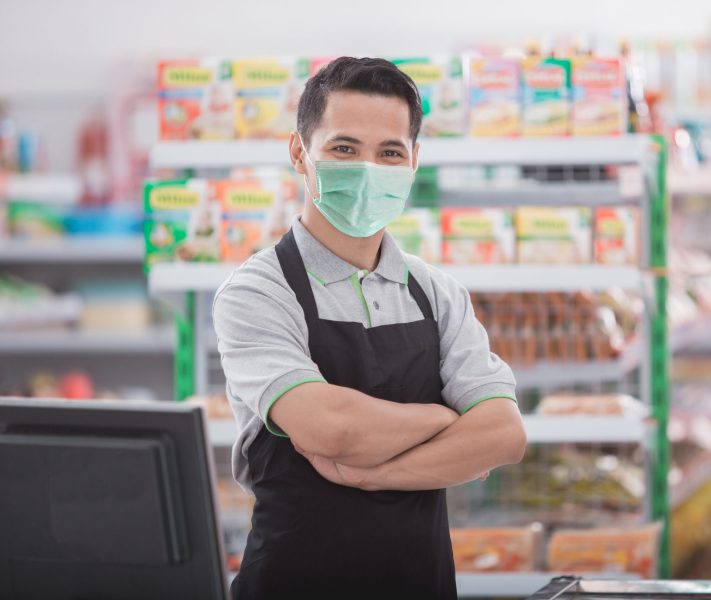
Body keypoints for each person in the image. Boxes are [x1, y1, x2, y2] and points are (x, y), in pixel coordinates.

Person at [214, 56, 526, 599]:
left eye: (389, 153)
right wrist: (444, 417)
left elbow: (503, 434)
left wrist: (369, 474)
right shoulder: (258, 291)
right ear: (299, 153)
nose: (366, 170)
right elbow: (331, 429)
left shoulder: (436, 293)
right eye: (343, 148)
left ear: (413, 162)